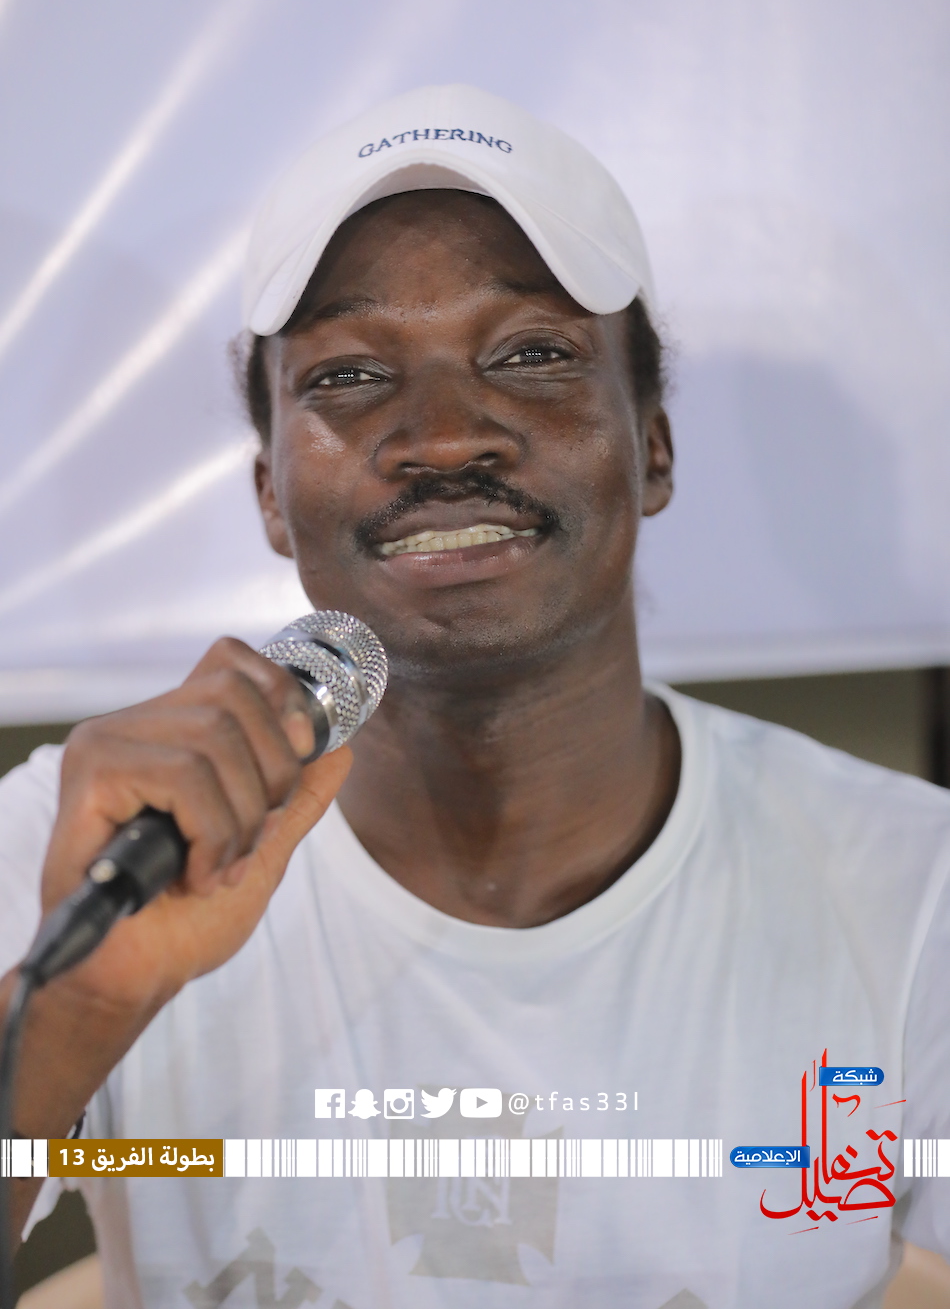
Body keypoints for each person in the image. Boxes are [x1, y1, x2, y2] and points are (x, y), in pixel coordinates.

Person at [1, 83, 949, 1309]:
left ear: (652, 448)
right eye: (349, 374)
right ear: (270, 495)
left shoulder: (911, 884)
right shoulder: (85, 851)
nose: (445, 438)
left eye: (531, 355)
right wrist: (74, 1012)